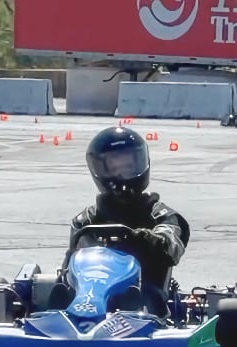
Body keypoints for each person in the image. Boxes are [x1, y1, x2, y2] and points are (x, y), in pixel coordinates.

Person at [63, 126, 189, 318]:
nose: (121, 174)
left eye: (127, 167)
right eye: (115, 168)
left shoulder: (159, 214)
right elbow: (72, 261)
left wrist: (146, 239)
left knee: (145, 296)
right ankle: (57, 312)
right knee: (58, 287)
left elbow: (171, 242)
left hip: (143, 295)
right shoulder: (86, 221)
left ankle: (143, 315)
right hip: (89, 294)